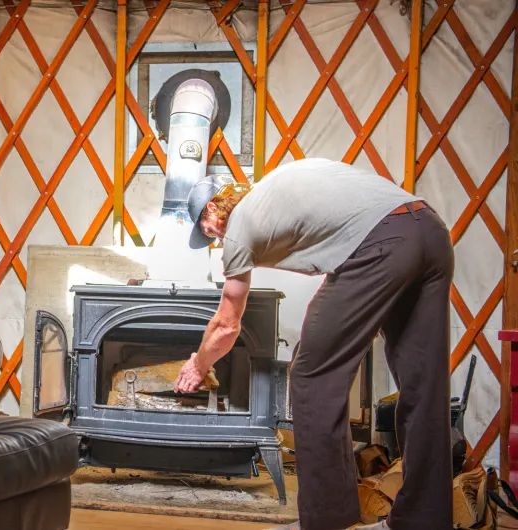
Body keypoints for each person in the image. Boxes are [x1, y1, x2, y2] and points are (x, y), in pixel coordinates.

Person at [173, 158, 454, 530]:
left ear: (212, 208)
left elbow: (226, 326)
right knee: (424, 384)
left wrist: (198, 365)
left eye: (207, 231)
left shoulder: (239, 227)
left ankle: (327, 522)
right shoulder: (273, 190)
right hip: (430, 231)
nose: (214, 239)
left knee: (311, 376)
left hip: (380, 244)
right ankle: (424, 521)